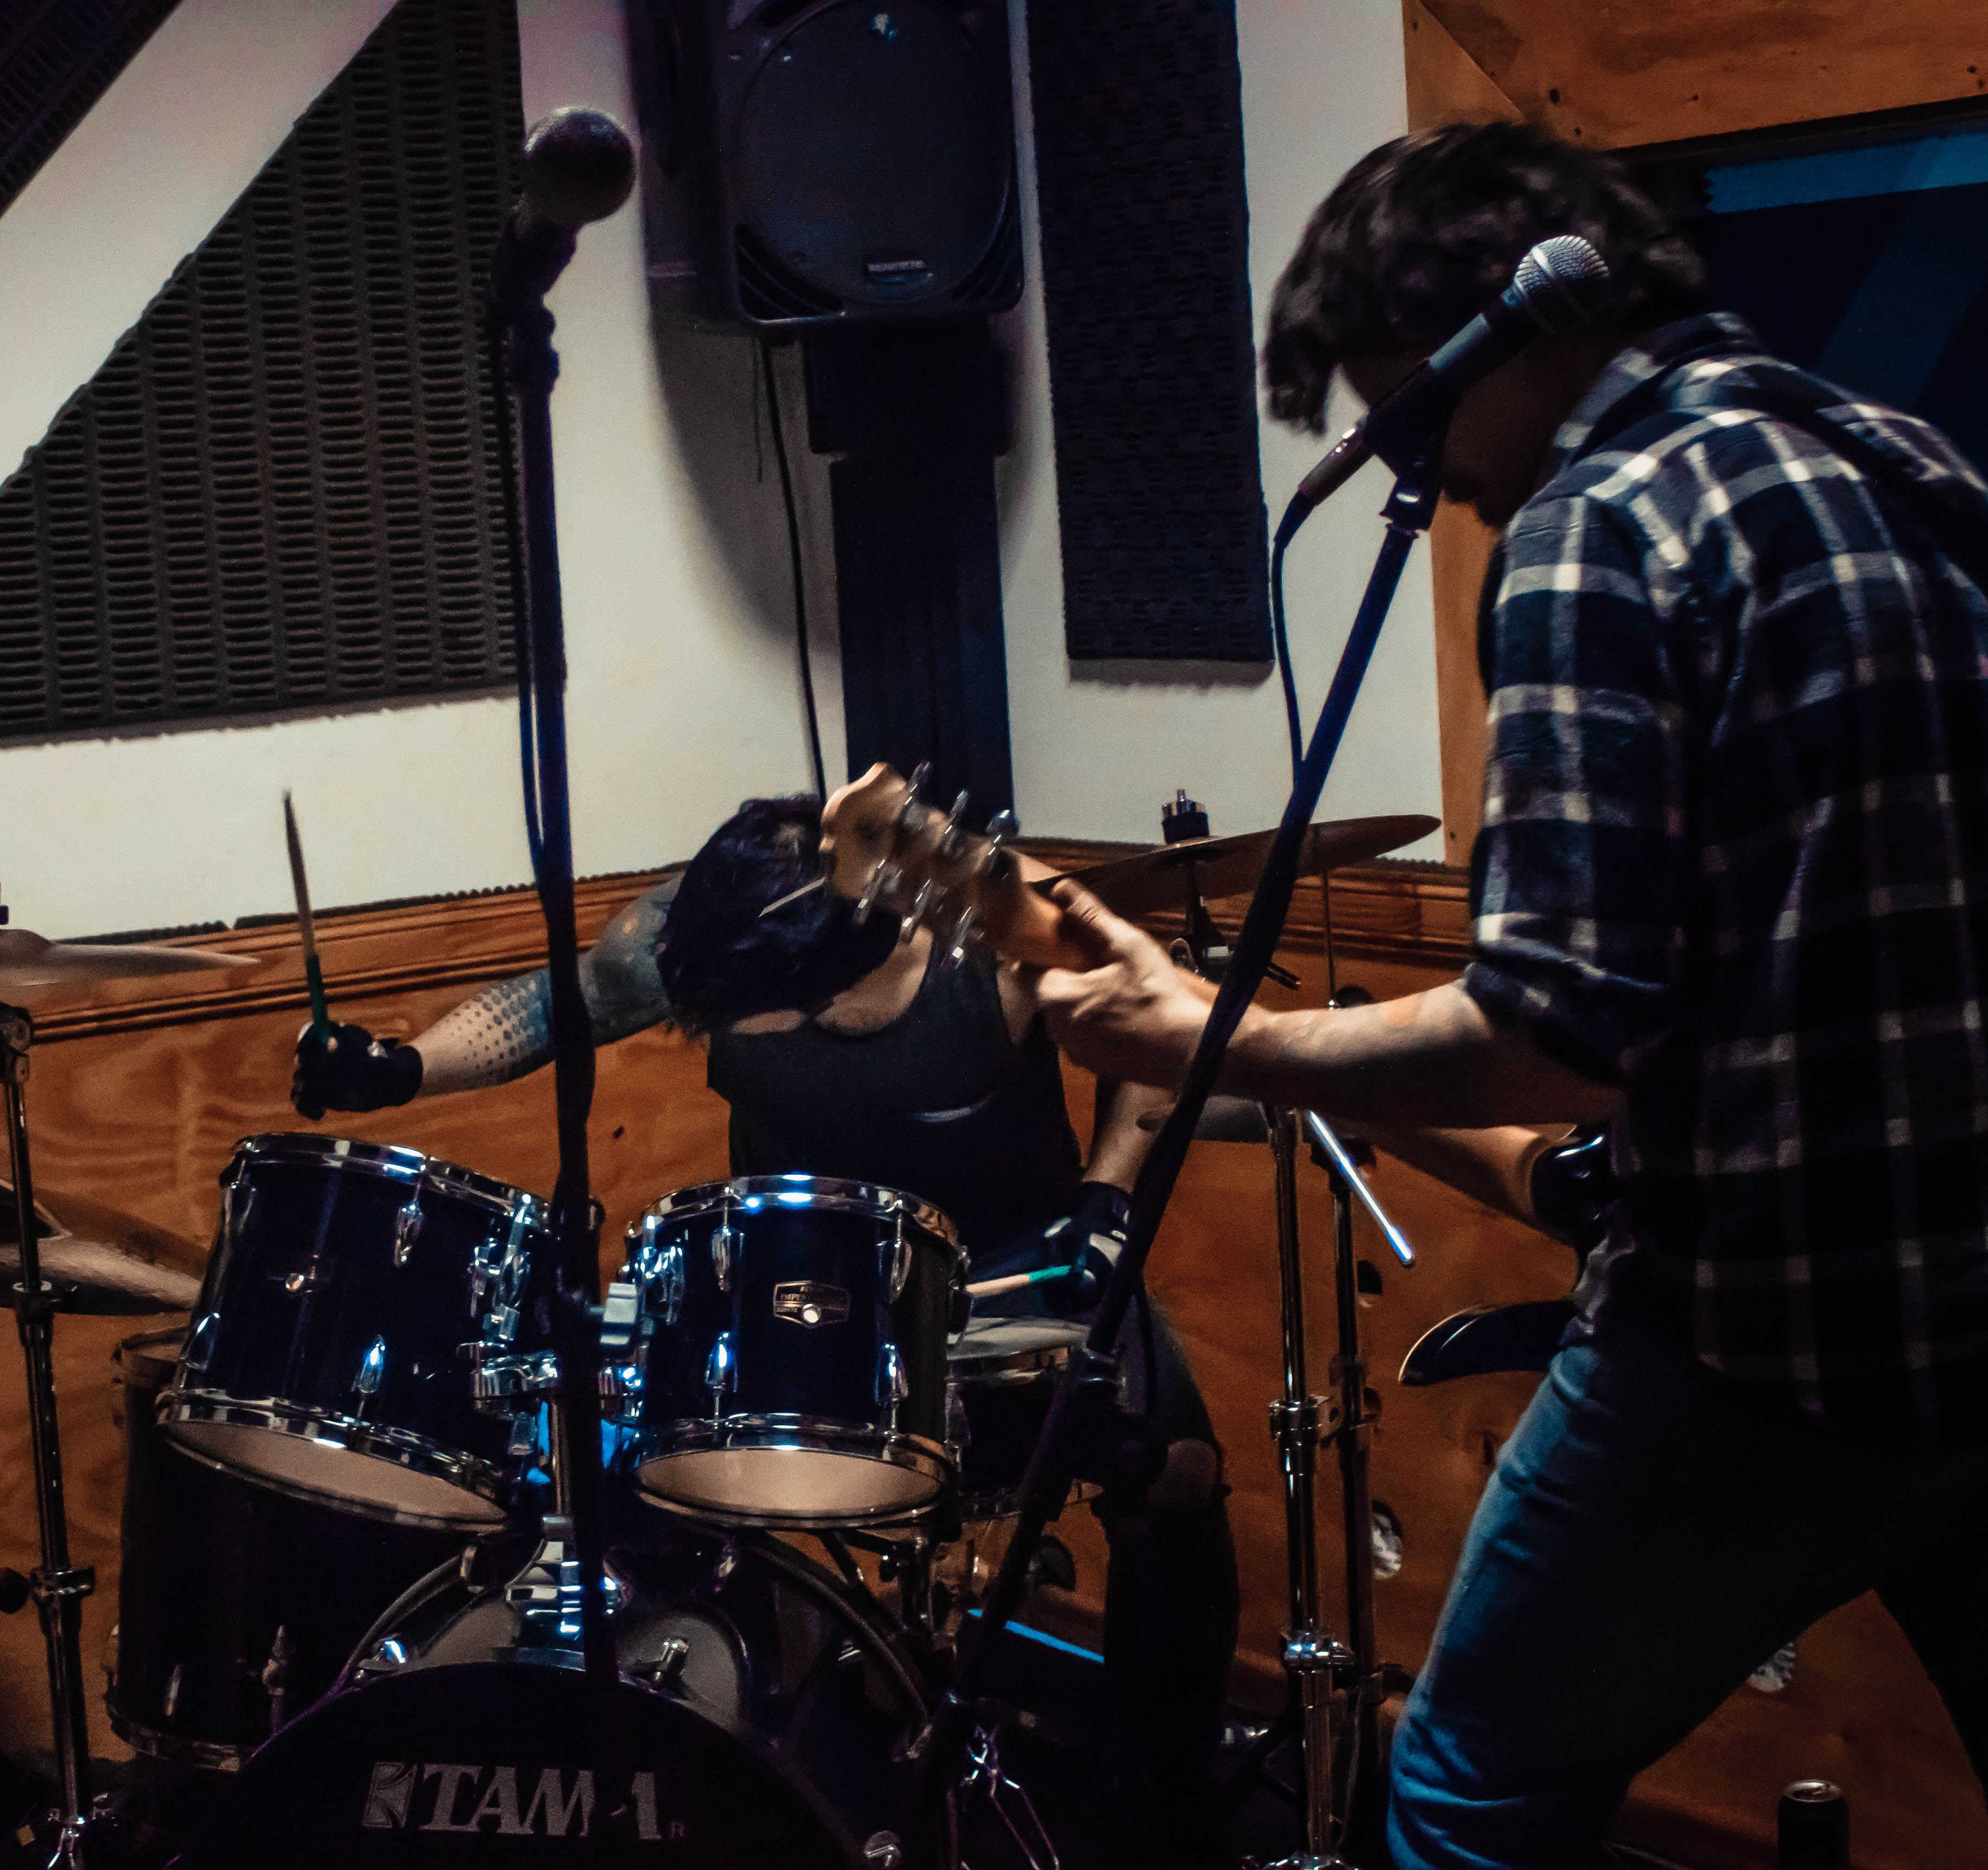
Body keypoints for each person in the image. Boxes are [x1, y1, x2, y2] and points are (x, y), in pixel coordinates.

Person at [1028, 122, 1988, 1867]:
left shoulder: (1599, 526)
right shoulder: (1911, 466)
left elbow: (1557, 1029)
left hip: (1760, 1346)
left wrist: (1208, 1035)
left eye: (1400, 407)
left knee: (1470, 1789)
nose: (1422, 468)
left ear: (1485, 328)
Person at [295, 794, 1240, 1861]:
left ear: (844, 968)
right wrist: (402, 1066)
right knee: (617, 1438)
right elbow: (558, 1004)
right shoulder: (711, 926)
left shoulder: (984, 928)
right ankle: (705, 1738)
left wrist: (1109, 1199)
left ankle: (1161, 1803)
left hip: (1020, 1261)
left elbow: (1144, 1024)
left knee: (1178, 1469)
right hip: (803, 1277)